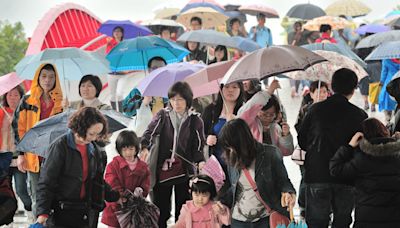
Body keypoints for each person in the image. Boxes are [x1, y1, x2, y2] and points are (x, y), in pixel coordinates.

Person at [298, 68, 368, 228]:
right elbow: (363, 148)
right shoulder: (360, 115)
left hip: (317, 174)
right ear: (354, 88)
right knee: (342, 222)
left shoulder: (314, 110)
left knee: (316, 222)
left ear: (332, 86)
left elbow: (302, 141)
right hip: (346, 176)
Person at [35, 107, 119, 228]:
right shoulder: (60, 147)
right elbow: (46, 182)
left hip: (85, 211)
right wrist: (42, 213)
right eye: (91, 133)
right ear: (81, 128)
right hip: (61, 211)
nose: (94, 138)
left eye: (97, 134)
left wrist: (115, 195)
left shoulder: (94, 149)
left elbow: (96, 179)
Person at [140, 81, 206, 228]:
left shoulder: (195, 119)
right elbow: (150, 132)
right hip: (163, 168)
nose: (176, 103)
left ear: (188, 100)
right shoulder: (163, 115)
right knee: (161, 209)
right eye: (173, 99)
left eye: (180, 99)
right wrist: (145, 147)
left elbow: (199, 145)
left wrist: (200, 161)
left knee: (183, 209)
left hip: (185, 170)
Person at [218, 118, 296, 227]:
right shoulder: (231, 158)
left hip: (266, 218)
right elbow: (235, 187)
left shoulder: (270, 153)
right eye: (227, 147)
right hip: (239, 219)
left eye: (232, 146)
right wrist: (220, 202)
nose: (230, 150)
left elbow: (283, 181)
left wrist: (289, 193)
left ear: (242, 141)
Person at [13, 63, 63, 219]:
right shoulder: (27, 100)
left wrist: (66, 110)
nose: (47, 80)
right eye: (44, 76)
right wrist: (20, 154)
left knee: (55, 194)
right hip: (34, 154)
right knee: (36, 195)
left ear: (56, 79)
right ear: (38, 78)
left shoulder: (61, 102)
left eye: (51, 77)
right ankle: (37, 224)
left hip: (55, 155)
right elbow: (18, 127)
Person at [330, 118, 400, 227]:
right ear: (385, 131)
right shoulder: (397, 156)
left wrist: (349, 147)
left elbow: (335, 169)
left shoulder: (361, 159)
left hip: (366, 219)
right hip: (395, 218)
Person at [294, 80, 328, 218]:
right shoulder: (305, 109)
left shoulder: (329, 109)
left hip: (323, 150)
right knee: (305, 177)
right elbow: (298, 126)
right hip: (307, 150)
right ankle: (303, 203)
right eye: (319, 92)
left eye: (325, 92)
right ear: (312, 94)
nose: (322, 95)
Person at [102, 130, 150, 228]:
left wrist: (141, 191)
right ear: (119, 150)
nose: (128, 152)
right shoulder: (113, 165)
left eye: (131, 149)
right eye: (124, 149)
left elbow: (146, 183)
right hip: (116, 206)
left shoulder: (143, 167)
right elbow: (111, 182)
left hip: (135, 209)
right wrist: (122, 195)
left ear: (136, 149)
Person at [0, 85, 32, 219]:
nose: (12, 98)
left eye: (16, 95)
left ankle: (30, 211)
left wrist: (16, 123)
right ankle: (7, 217)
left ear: (21, 97)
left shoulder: (25, 112)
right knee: (6, 191)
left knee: (21, 188)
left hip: (20, 158)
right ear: (5, 97)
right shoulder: (1, 112)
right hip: (3, 158)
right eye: (9, 95)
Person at [238, 80, 294, 156]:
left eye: (271, 115)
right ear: (256, 111)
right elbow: (243, 114)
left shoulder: (276, 128)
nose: (268, 118)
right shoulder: (251, 124)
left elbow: (287, 152)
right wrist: (268, 93)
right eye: (264, 114)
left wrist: (286, 135)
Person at [202, 82, 244, 170]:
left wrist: (235, 124)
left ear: (241, 90)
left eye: (234, 87)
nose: (230, 90)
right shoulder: (210, 110)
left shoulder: (244, 111)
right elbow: (200, 134)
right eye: (227, 87)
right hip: (215, 165)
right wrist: (207, 138)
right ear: (221, 89)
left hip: (238, 164)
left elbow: (248, 139)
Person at [379, 58, 400, 123]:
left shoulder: (386, 60)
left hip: (390, 82)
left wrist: (381, 81)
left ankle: (388, 117)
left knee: (386, 99)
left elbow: (384, 72)